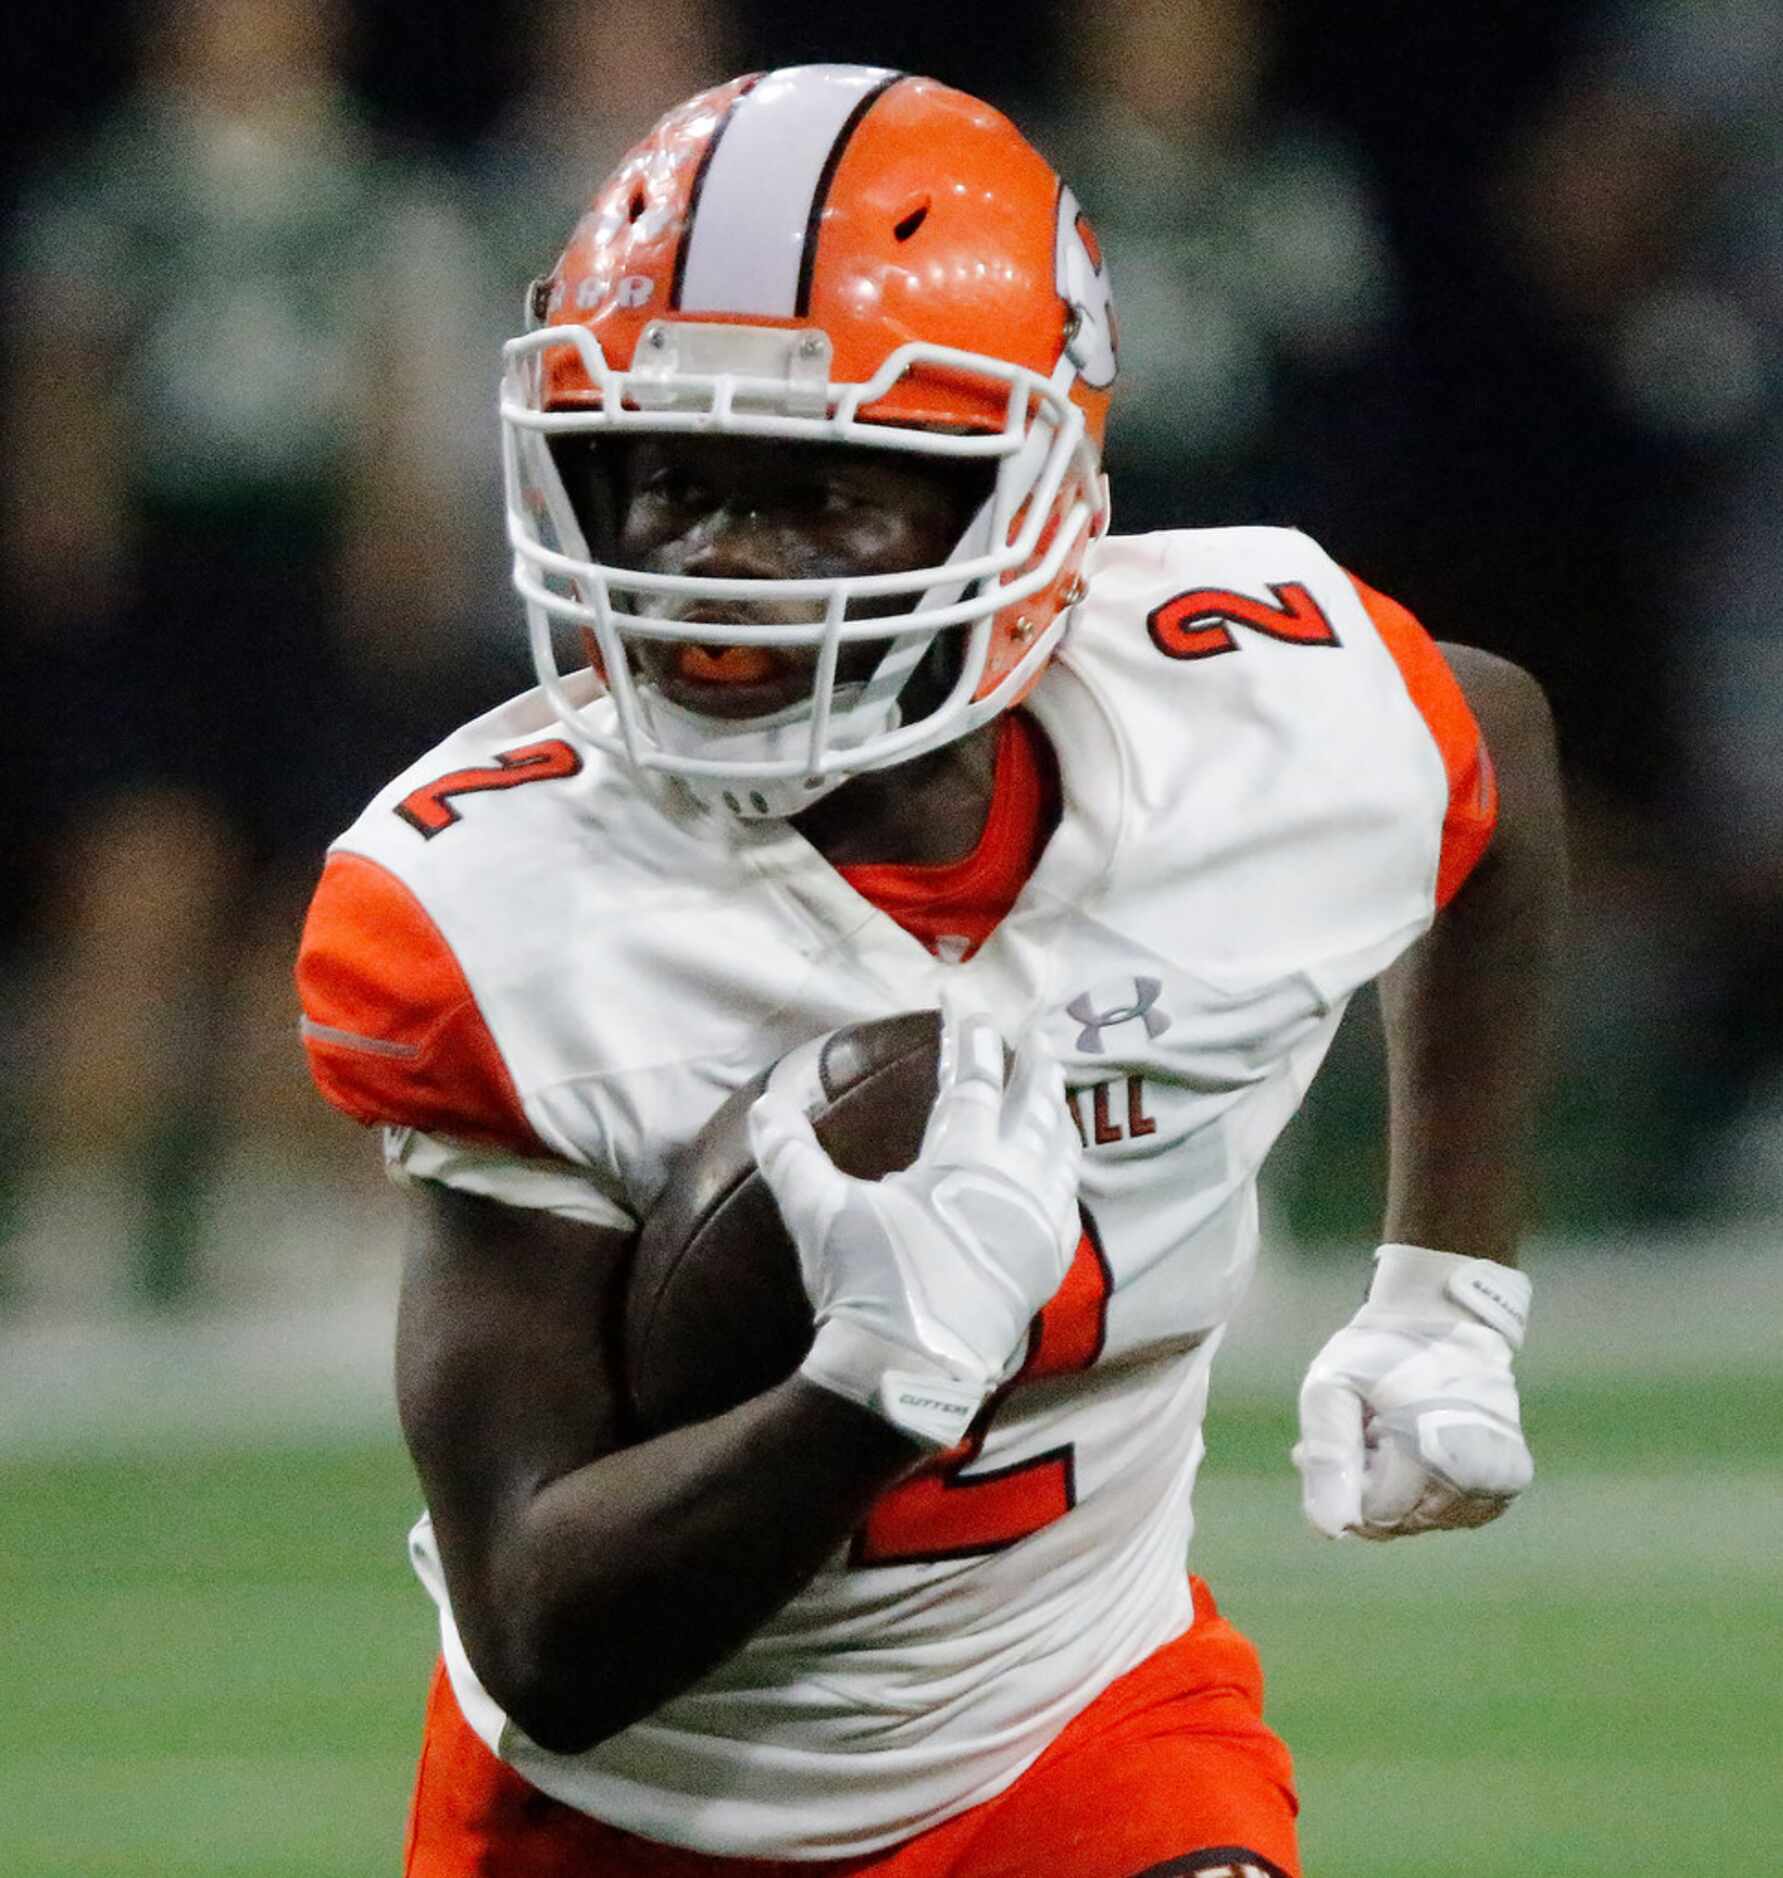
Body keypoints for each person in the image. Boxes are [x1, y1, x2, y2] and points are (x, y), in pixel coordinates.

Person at [296, 65, 1565, 1878]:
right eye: (666, 476)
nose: (721, 563)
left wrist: (1450, 1289)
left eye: (820, 489)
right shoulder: (498, 903)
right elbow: (542, 1630)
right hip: (636, 1814)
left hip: (1084, 1726)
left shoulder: (1252, 712)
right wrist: (868, 1392)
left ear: (1030, 491)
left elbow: (1498, 758)